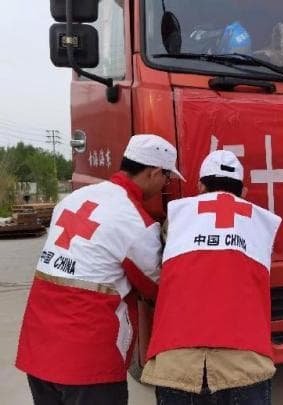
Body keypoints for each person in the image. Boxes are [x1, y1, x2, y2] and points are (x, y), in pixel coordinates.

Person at [16, 134, 184, 405]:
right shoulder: (135, 222)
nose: (166, 184)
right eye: (167, 177)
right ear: (154, 172)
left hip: (38, 347)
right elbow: (156, 285)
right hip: (87, 359)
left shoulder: (73, 199)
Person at [142, 150, 282, 405]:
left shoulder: (177, 216)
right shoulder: (262, 222)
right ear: (244, 192)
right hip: (244, 362)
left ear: (200, 187)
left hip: (177, 361)